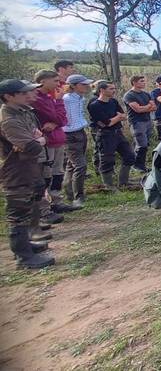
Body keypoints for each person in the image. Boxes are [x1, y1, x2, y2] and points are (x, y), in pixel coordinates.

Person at [0, 79, 55, 269]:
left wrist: (38, 138)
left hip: (27, 169)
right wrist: (38, 140)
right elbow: (32, 146)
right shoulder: (9, 120)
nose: (28, 96)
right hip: (15, 172)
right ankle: (23, 257)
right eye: (23, 93)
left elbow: (39, 136)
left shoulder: (22, 114)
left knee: (28, 206)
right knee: (18, 214)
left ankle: (27, 245)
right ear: (8, 97)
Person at [32, 70, 79, 215]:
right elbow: (57, 117)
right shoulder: (37, 99)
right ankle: (44, 207)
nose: (58, 84)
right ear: (43, 81)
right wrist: (58, 101)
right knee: (46, 175)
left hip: (58, 138)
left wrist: (55, 121)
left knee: (58, 173)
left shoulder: (49, 96)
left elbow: (63, 119)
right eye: (55, 81)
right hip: (46, 142)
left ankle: (57, 201)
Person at [88, 81, 136, 190]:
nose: (114, 91)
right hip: (105, 135)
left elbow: (124, 115)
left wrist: (115, 119)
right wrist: (117, 118)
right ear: (102, 90)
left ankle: (123, 182)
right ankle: (108, 186)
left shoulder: (113, 101)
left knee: (129, 156)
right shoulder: (94, 105)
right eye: (111, 89)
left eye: (114, 88)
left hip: (118, 133)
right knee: (107, 160)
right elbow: (105, 124)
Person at [62, 74, 93, 208]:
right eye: (83, 84)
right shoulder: (67, 99)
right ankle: (78, 197)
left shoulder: (80, 98)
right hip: (70, 135)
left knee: (71, 165)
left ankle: (69, 192)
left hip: (80, 132)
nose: (86, 87)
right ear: (73, 86)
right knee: (80, 166)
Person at [123, 75, 156, 172]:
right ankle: (138, 166)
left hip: (147, 121)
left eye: (144, 81)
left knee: (143, 143)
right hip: (137, 122)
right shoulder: (129, 95)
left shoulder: (146, 94)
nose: (144, 83)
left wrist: (144, 107)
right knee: (142, 145)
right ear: (134, 82)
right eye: (141, 81)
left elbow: (154, 107)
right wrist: (147, 107)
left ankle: (137, 163)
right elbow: (137, 109)